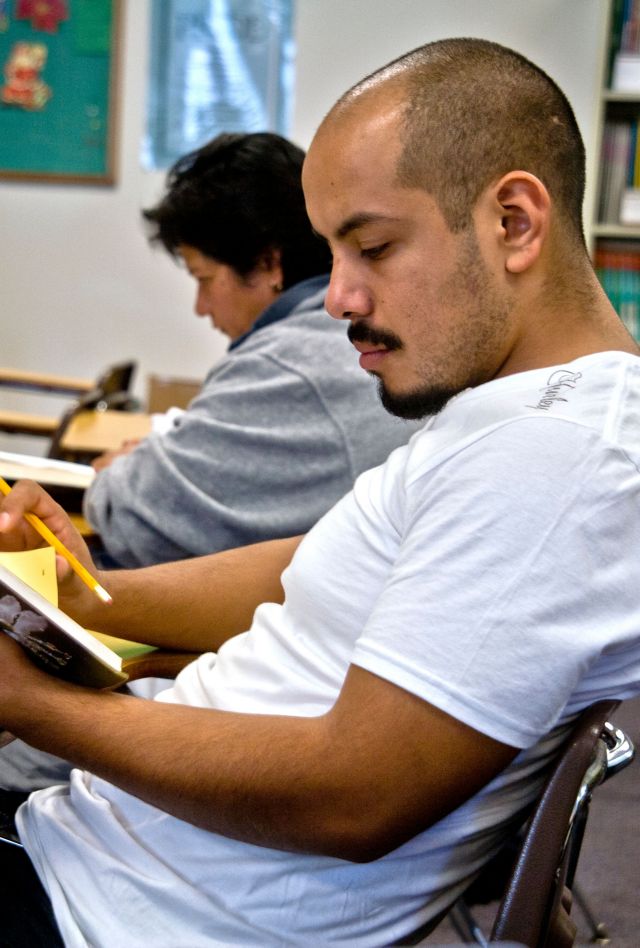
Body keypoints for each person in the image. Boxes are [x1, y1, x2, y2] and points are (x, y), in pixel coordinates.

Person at [0, 36, 639, 948]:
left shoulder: (561, 454)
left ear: (515, 223)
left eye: (372, 246)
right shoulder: (511, 414)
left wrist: (34, 706)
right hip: (99, 855)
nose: (336, 297)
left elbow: (355, 796)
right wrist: (79, 598)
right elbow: (310, 567)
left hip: (99, 910)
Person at [83, 131, 418, 567]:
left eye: (203, 279)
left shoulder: (286, 365)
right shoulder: (348, 339)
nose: (201, 308)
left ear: (267, 264)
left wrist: (119, 470)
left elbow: (136, 521)